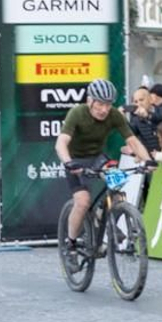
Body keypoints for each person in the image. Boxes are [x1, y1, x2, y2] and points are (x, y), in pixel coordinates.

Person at [53, 78, 153, 247]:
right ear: (89, 101)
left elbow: (132, 141)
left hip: (97, 158)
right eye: (100, 104)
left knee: (118, 187)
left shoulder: (114, 115)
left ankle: (104, 218)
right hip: (75, 160)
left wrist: (148, 160)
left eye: (108, 104)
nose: (104, 109)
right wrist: (68, 162)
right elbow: (61, 143)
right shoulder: (77, 113)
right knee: (83, 202)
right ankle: (71, 242)